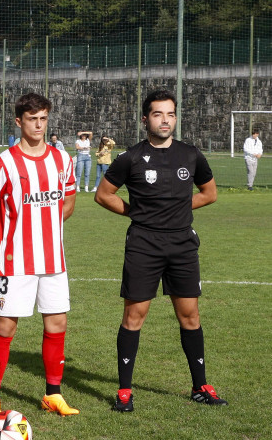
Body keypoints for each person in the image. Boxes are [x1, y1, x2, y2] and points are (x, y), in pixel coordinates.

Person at [94, 90, 227, 413]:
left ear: (176, 118)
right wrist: (136, 212)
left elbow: (209, 194)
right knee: (134, 316)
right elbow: (103, 195)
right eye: (157, 114)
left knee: (190, 316)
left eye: (170, 114)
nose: (165, 120)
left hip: (182, 245)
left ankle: (200, 386)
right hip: (144, 245)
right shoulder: (131, 157)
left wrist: (178, 208)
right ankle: (125, 391)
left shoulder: (191, 155)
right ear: (145, 119)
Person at [0, 93, 79, 420]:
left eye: (43, 118)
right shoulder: (4, 162)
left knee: (57, 323)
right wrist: (12, 237)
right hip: (16, 262)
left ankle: (53, 394)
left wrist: (47, 227)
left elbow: (70, 199)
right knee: (7, 326)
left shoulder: (62, 160)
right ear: (19, 121)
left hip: (53, 260)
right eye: (32, 119)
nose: (38, 125)